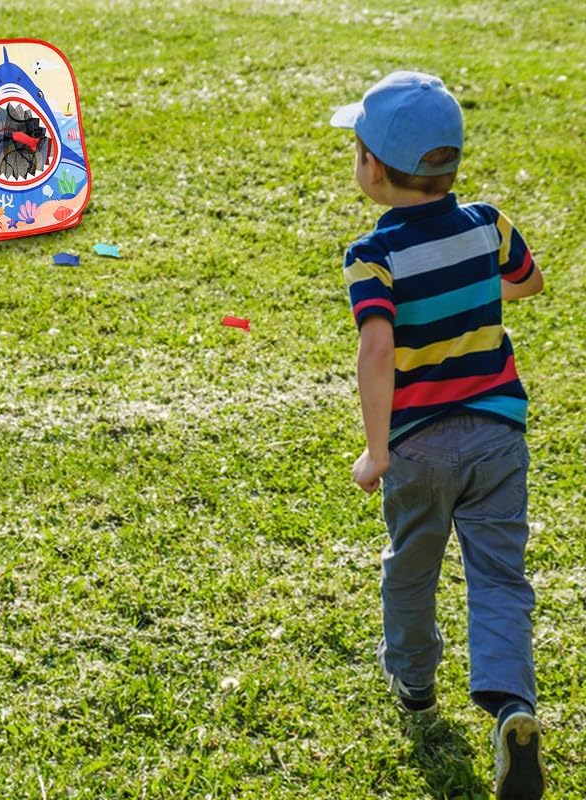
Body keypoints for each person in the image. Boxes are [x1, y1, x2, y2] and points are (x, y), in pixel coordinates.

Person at [330, 71, 546, 799]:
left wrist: (377, 449)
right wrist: (480, 288)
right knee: (499, 578)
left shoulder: (373, 256)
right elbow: (529, 281)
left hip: (419, 447)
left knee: (412, 569)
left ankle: (415, 684)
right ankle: (512, 704)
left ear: (372, 167)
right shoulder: (488, 224)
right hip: (497, 438)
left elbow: (378, 350)